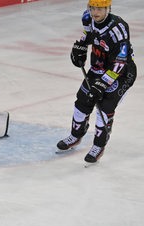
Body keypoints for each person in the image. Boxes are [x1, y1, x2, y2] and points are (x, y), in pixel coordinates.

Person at [57, 0, 137, 163]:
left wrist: (101, 85)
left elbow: (120, 63)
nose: (95, 12)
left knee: (104, 106)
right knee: (82, 101)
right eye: (93, 7)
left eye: (100, 8)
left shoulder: (118, 28)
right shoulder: (87, 18)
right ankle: (76, 135)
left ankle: (99, 145)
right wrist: (79, 48)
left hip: (121, 73)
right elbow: (89, 36)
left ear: (108, 8)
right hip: (99, 66)